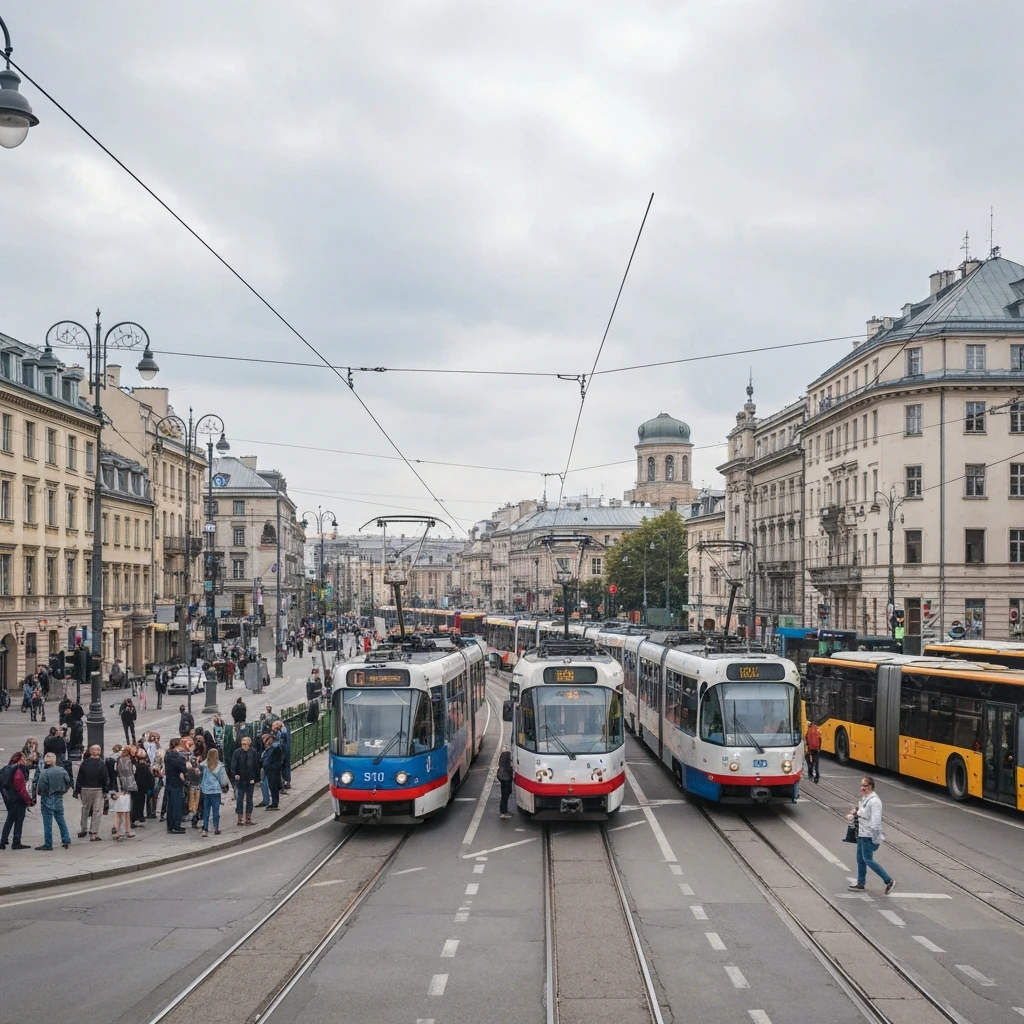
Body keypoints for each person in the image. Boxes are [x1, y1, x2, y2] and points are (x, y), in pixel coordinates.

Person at [847, 776, 895, 894]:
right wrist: (855, 813)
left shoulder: (874, 802)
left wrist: (876, 838)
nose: (862, 788)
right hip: (862, 833)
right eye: (862, 786)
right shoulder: (865, 798)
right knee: (860, 859)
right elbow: (864, 812)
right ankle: (860, 883)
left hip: (869, 834)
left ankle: (888, 880)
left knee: (868, 859)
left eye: (865, 786)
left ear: (871, 787)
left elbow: (876, 821)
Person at [34, 751, 72, 850]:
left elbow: (41, 787)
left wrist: (39, 793)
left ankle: (48, 843)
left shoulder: (44, 773)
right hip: (58, 797)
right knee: (61, 819)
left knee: (48, 822)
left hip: (47, 797)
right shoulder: (61, 770)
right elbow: (68, 781)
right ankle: (66, 839)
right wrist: (63, 790)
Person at [74, 744, 109, 841]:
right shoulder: (102, 764)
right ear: (100, 752)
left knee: (85, 808)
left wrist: (77, 790)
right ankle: (94, 832)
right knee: (97, 811)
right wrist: (106, 791)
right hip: (98, 789)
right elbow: (105, 778)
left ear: (90, 752)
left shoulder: (84, 763)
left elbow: (79, 778)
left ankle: (83, 828)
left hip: (85, 789)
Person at [0, 752, 33, 849]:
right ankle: (16, 842)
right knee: (19, 820)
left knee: (9, 819)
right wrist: (28, 800)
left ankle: (3, 841)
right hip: (17, 799)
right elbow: (21, 788)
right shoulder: (18, 770)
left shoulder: (5, 768)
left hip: (8, 798)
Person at [199, 748, 229, 836]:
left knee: (206, 810)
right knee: (216, 810)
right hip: (215, 790)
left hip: (206, 790)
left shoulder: (204, 765)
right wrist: (224, 785)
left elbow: (202, 776)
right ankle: (216, 828)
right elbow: (222, 779)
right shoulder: (219, 766)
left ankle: (205, 829)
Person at [230, 735, 260, 825]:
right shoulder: (237, 753)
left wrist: (255, 779)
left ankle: (248, 817)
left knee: (249, 799)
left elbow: (256, 766)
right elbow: (233, 765)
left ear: (250, 744)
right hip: (240, 780)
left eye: (247, 744)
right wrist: (235, 775)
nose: (245, 746)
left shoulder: (253, 752)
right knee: (240, 798)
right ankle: (239, 818)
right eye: (243, 744)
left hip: (250, 780)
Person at [163, 738, 187, 833]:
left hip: (173, 782)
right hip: (175, 783)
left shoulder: (170, 755)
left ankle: (172, 825)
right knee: (175, 805)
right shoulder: (172, 755)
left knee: (173, 804)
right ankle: (175, 825)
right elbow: (182, 764)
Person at [261, 733, 284, 809]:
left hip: (273, 769)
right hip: (271, 769)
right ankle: (274, 802)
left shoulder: (275, 747)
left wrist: (269, 766)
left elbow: (269, 759)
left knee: (273, 786)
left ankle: (275, 803)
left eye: (266, 741)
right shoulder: (272, 748)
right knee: (272, 786)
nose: (266, 743)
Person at [132, 750, 154, 829]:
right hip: (141, 789)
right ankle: (136, 818)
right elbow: (150, 778)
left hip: (137, 788)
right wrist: (150, 788)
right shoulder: (144, 767)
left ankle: (136, 818)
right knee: (139, 804)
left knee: (136, 804)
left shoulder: (136, 766)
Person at [273, 719, 292, 789]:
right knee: (287, 766)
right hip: (287, 751)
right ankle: (287, 781)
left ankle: (283, 782)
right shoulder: (286, 730)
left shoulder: (281, 733)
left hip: (283, 752)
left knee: (282, 767)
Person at [497, 744, 514, 819]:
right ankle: (503, 812)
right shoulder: (507, 756)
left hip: (502, 776)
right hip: (505, 777)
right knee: (505, 795)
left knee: (505, 794)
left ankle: (504, 811)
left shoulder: (503, 755)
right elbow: (508, 768)